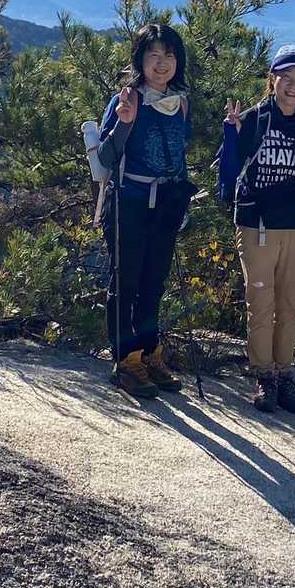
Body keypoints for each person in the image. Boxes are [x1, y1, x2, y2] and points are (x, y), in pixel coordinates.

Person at [217, 45, 295, 414]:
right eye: (286, 77)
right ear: (272, 80)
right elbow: (229, 173)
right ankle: (263, 374)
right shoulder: (254, 119)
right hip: (256, 224)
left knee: (288, 304)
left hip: (293, 225)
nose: (293, 85)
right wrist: (230, 134)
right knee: (261, 302)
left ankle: (284, 372)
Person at [95, 23, 196, 399]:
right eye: (153, 54)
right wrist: (123, 123)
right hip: (130, 201)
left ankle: (150, 354)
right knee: (125, 284)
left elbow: (179, 153)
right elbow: (106, 157)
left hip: (166, 203)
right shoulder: (127, 99)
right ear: (139, 60)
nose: (162, 63)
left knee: (154, 283)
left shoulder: (181, 103)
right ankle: (126, 361)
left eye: (169, 55)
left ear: (178, 61)